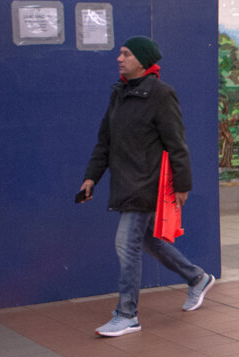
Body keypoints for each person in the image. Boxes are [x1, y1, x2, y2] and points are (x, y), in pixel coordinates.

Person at [78, 36, 215, 337]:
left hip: (146, 184)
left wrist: (182, 185)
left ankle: (127, 315)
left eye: (125, 54)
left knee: (125, 244)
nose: (119, 58)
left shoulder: (161, 94)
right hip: (125, 183)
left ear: (141, 61)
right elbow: (105, 142)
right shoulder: (119, 94)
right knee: (147, 241)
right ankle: (197, 278)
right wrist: (91, 177)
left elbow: (176, 144)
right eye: (120, 53)